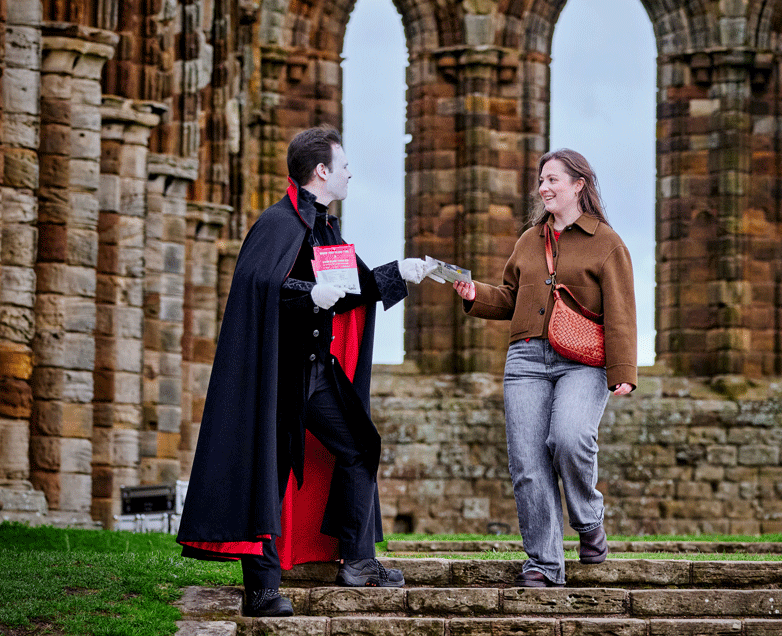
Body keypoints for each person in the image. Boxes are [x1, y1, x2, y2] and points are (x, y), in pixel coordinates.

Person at [176, 126, 434, 616]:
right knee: (269, 470)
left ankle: (358, 562)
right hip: (272, 377)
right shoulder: (276, 224)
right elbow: (262, 288)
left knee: (360, 446)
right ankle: (263, 590)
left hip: (315, 373)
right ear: (322, 171)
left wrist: (399, 272)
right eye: (344, 165)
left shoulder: (325, 227)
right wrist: (305, 295)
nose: (350, 172)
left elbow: (351, 287)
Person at [452, 148, 637, 587]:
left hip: (582, 361)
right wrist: (473, 293)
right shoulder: (528, 241)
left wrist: (623, 370)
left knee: (569, 439)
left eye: (553, 179)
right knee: (528, 464)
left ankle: (589, 523)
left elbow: (622, 312)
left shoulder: (607, 243)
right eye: (541, 181)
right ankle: (544, 564)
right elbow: (510, 299)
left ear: (579, 185)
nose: (544, 188)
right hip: (526, 360)